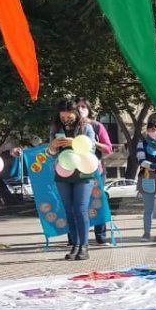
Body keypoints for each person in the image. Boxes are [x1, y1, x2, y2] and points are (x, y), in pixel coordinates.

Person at [48, 99, 100, 260]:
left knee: (80, 209)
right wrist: (53, 146)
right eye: (62, 117)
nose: (65, 119)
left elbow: (91, 149)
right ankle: (75, 245)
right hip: (63, 172)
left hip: (83, 173)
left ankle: (84, 246)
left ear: (76, 113)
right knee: (69, 210)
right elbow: (51, 154)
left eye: (69, 116)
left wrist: (75, 142)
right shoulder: (55, 128)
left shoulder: (86, 128)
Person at [77, 98, 114, 244]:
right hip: (74, 171)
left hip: (95, 170)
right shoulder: (70, 126)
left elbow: (108, 148)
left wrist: (93, 142)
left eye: (83, 106)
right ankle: (76, 237)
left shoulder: (97, 126)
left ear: (89, 109)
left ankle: (101, 236)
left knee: (97, 202)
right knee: (77, 203)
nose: (80, 109)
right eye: (77, 107)